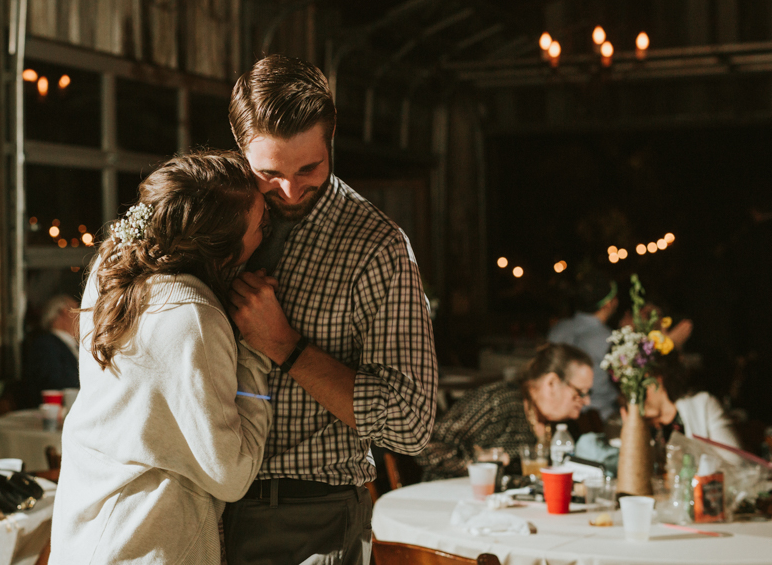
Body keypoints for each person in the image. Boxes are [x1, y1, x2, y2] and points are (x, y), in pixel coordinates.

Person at [223, 55, 439, 565]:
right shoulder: (214, 225)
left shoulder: (379, 247)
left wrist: (285, 346)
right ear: (240, 151)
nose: (291, 191)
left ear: (332, 139)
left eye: (309, 168)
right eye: (270, 173)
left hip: (312, 520)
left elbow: (411, 423)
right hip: (202, 507)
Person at [50, 152, 272, 565]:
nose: (268, 233)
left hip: (86, 526)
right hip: (147, 541)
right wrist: (259, 352)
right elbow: (233, 474)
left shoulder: (111, 267)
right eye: (262, 225)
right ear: (223, 248)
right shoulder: (192, 317)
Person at [415, 343, 594, 481]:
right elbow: (425, 444)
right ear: (552, 383)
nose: (587, 401)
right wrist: (475, 462)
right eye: (580, 393)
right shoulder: (499, 401)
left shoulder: (562, 425)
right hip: (452, 502)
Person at [548, 269, 620, 419]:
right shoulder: (609, 338)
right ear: (608, 304)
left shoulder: (558, 329)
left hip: (559, 414)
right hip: (599, 418)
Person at [639, 351, 740, 449]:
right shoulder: (637, 428)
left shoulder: (703, 406)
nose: (637, 394)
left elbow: (734, 460)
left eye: (642, 384)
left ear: (658, 378)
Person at [20, 295, 80, 407]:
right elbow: (54, 382)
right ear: (64, 313)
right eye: (77, 309)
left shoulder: (74, 345)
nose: (81, 315)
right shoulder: (46, 344)